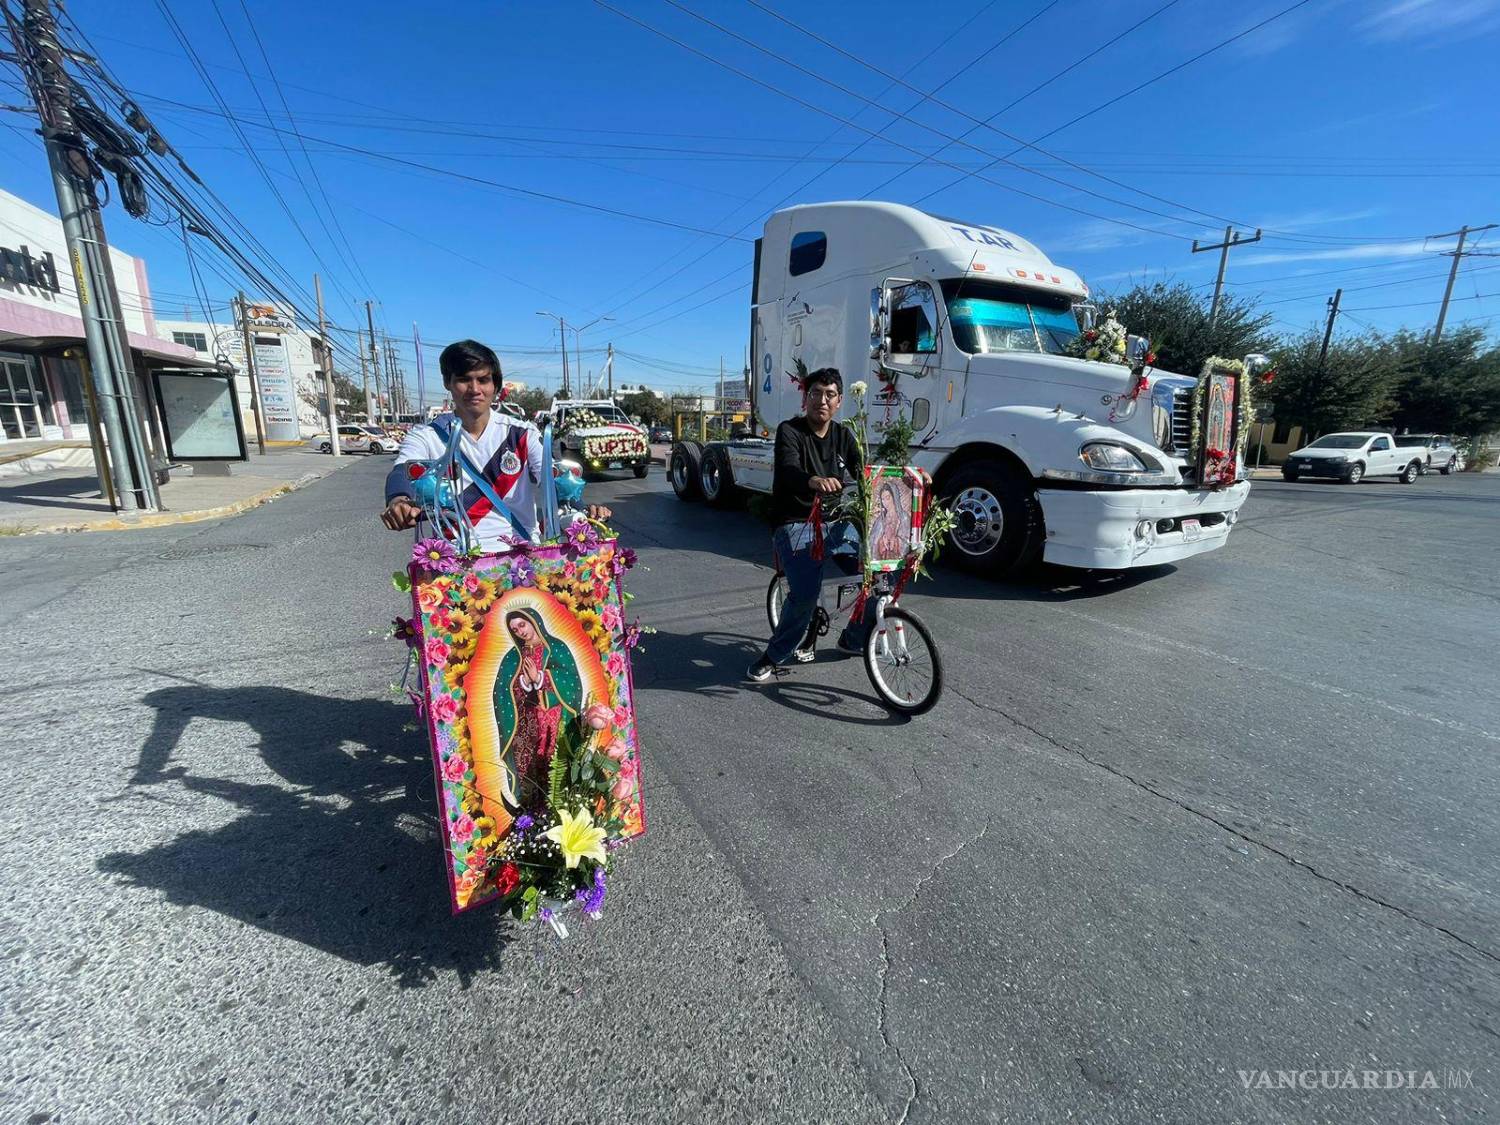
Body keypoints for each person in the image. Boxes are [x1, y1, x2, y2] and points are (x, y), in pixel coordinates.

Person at [381, 339, 609, 550]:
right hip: (456, 561)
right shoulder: (427, 436)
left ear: (495, 385)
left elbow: (554, 480)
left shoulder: (521, 433)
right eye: (463, 379)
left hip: (522, 557)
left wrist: (581, 508)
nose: (474, 389)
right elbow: (402, 471)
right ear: (447, 383)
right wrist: (399, 500)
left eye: (483, 380)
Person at [747, 367, 874, 683]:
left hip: (835, 522)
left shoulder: (844, 435)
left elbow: (864, 473)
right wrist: (813, 480)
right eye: (816, 393)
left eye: (830, 394)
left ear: (840, 401)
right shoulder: (790, 431)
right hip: (795, 524)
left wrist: (907, 476)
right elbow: (789, 470)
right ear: (805, 398)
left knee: (879, 575)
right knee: (805, 594)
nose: (822, 400)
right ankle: (773, 655)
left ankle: (853, 639)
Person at [495, 607, 582, 812]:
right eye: (515, 629)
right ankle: (532, 811)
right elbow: (501, 691)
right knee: (528, 768)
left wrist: (541, 678)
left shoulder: (556, 648)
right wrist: (522, 684)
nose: (520, 631)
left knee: (554, 766)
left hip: (552, 720)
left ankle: (558, 807)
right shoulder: (512, 657)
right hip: (525, 724)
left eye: (522, 624)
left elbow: (572, 682)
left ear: (534, 621)